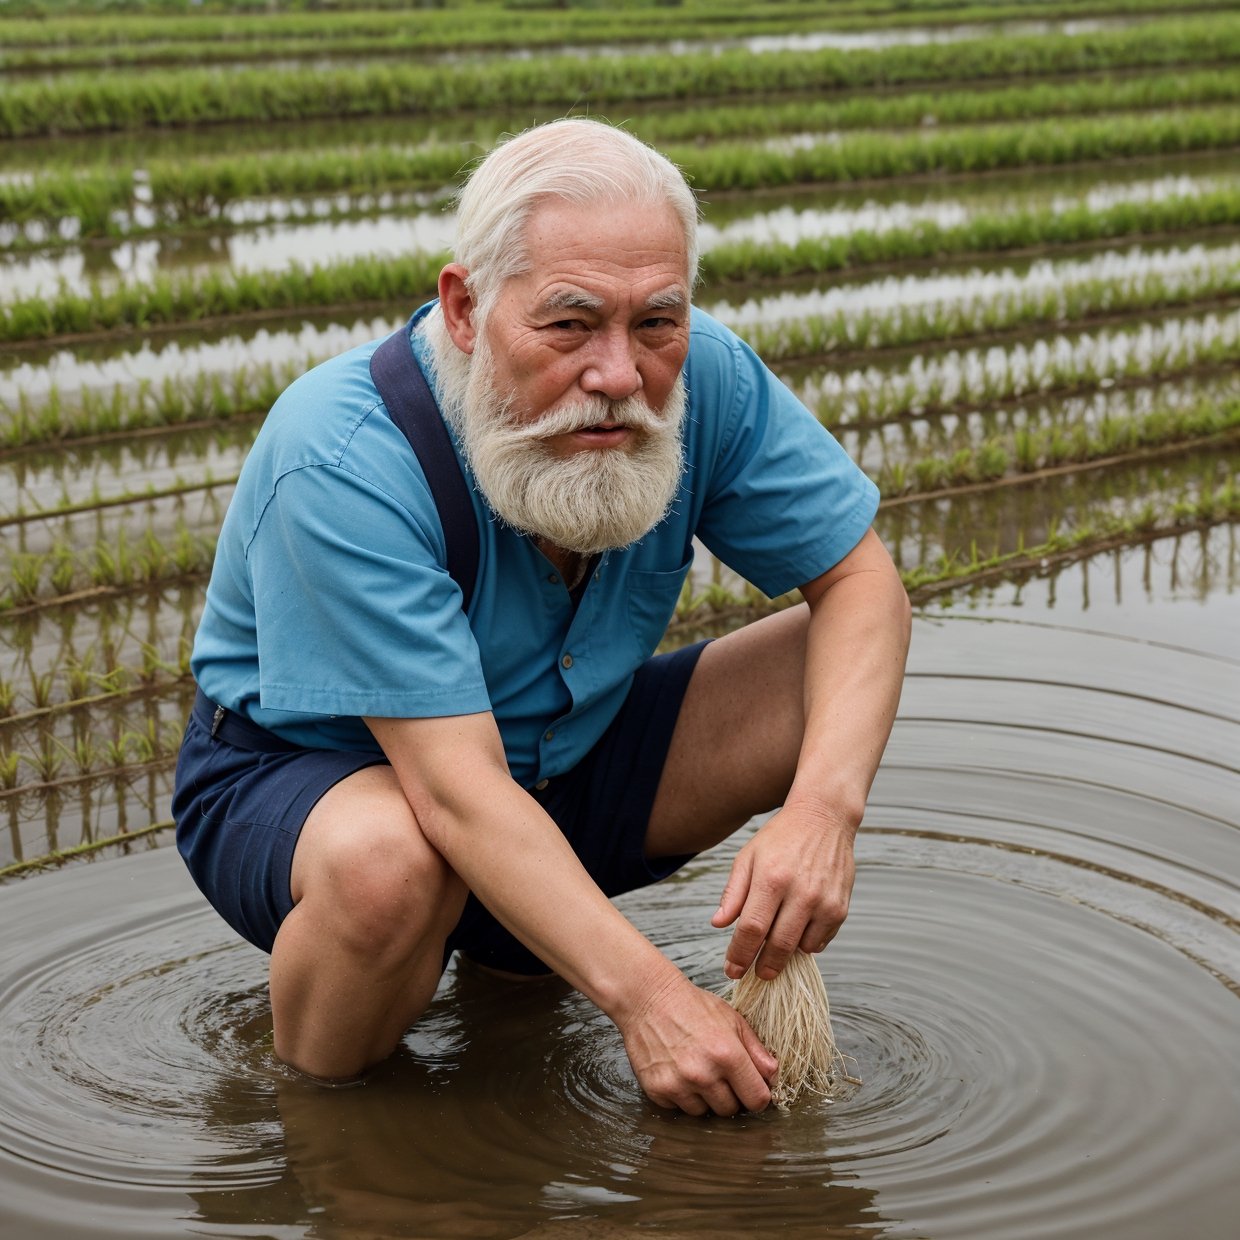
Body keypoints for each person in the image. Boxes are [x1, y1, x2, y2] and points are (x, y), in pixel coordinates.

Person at [173, 118, 911, 1117]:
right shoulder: (344, 453)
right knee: (395, 865)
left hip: (562, 751)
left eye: (655, 321)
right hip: (330, 782)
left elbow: (864, 586)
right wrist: (653, 1000)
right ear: (466, 308)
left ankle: (514, 959)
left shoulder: (709, 382)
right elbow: (457, 793)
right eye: (568, 325)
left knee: (815, 668)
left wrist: (822, 814)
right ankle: (322, 1107)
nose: (617, 373)